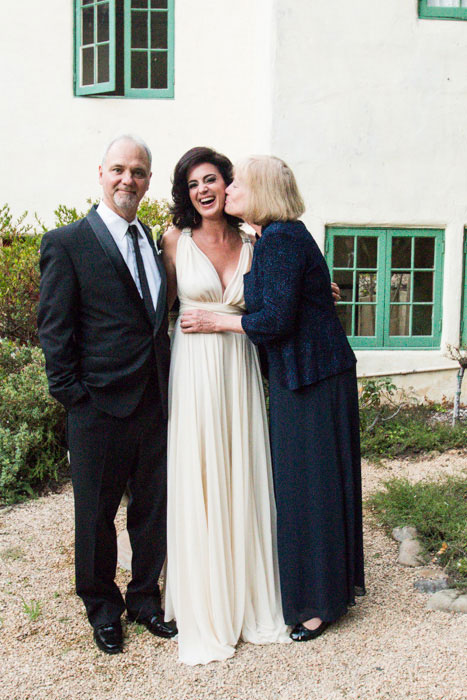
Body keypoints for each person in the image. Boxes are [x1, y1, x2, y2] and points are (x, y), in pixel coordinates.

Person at [180, 155, 365, 643]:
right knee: (310, 488)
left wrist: (216, 321)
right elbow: (283, 299)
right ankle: (326, 591)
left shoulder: (280, 239)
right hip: (306, 376)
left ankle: (316, 607)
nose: (229, 188)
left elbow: (275, 321)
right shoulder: (273, 239)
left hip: (312, 379)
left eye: (237, 181)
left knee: (310, 492)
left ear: (259, 191)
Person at [38, 135, 177, 655]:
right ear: (100, 173)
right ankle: (103, 608)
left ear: (147, 180)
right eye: (119, 169)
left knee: (152, 511)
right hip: (97, 407)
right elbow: (54, 330)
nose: (128, 180)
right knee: (94, 517)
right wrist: (75, 397)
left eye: (138, 172)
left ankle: (144, 600)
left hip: (155, 403)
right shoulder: (67, 242)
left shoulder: (155, 240)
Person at [161, 147, 290, 665]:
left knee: (241, 471)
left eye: (211, 179)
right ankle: (203, 600)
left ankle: (249, 595)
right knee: (201, 474)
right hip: (192, 368)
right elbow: (157, 308)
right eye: (193, 184)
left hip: (238, 366)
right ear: (185, 193)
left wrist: (313, 292)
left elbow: (274, 303)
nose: (203, 191)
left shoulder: (255, 241)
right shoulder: (174, 240)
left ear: (227, 183)